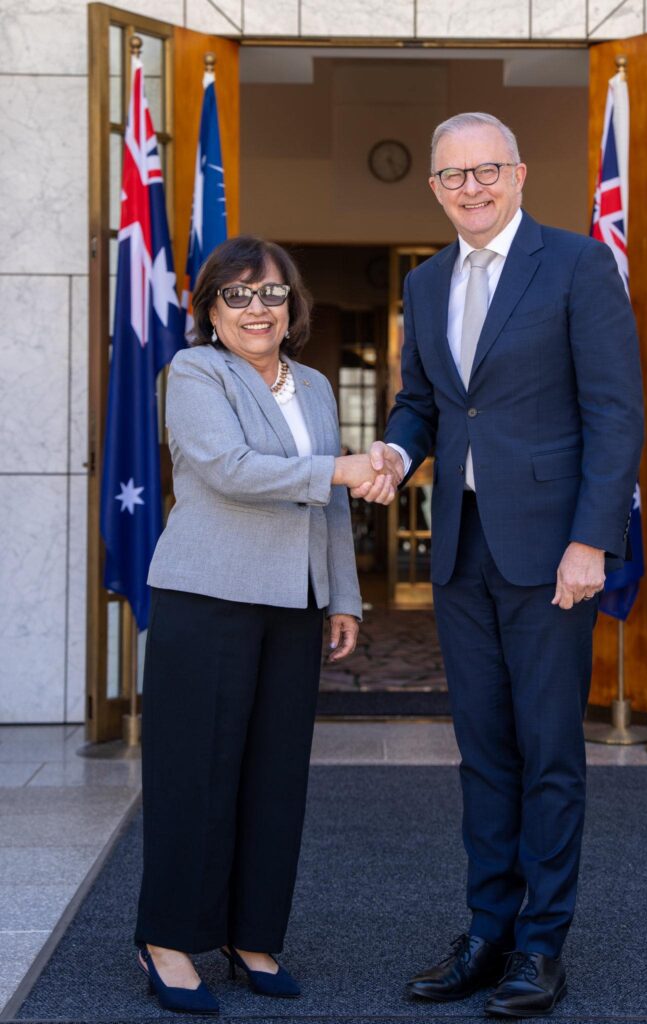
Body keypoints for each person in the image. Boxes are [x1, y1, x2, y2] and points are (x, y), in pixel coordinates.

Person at [355, 113, 644, 1017]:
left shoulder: (576, 264)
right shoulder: (427, 280)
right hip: (461, 545)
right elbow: (420, 404)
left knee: (547, 749)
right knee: (482, 750)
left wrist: (591, 539)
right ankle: (486, 931)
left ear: (518, 176)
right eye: (452, 176)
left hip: (553, 548)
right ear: (434, 189)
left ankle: (540, 945)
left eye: (486, 171)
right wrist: (397, 455)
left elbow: (614, 410)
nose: (470, 187)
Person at [134, 236, 395, 1015]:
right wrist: (342, 467)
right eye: (238, 296)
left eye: (272, 294)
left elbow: (333, 508)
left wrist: (343, 595)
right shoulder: (193, 372)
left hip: (295, 603)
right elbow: (227, 468)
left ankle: (252, 935)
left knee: (274, 778)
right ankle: (170, 940)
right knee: (194, 773)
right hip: (207, 597)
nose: (257, 309)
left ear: (293, 306)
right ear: (211, 310)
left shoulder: (313, 385)